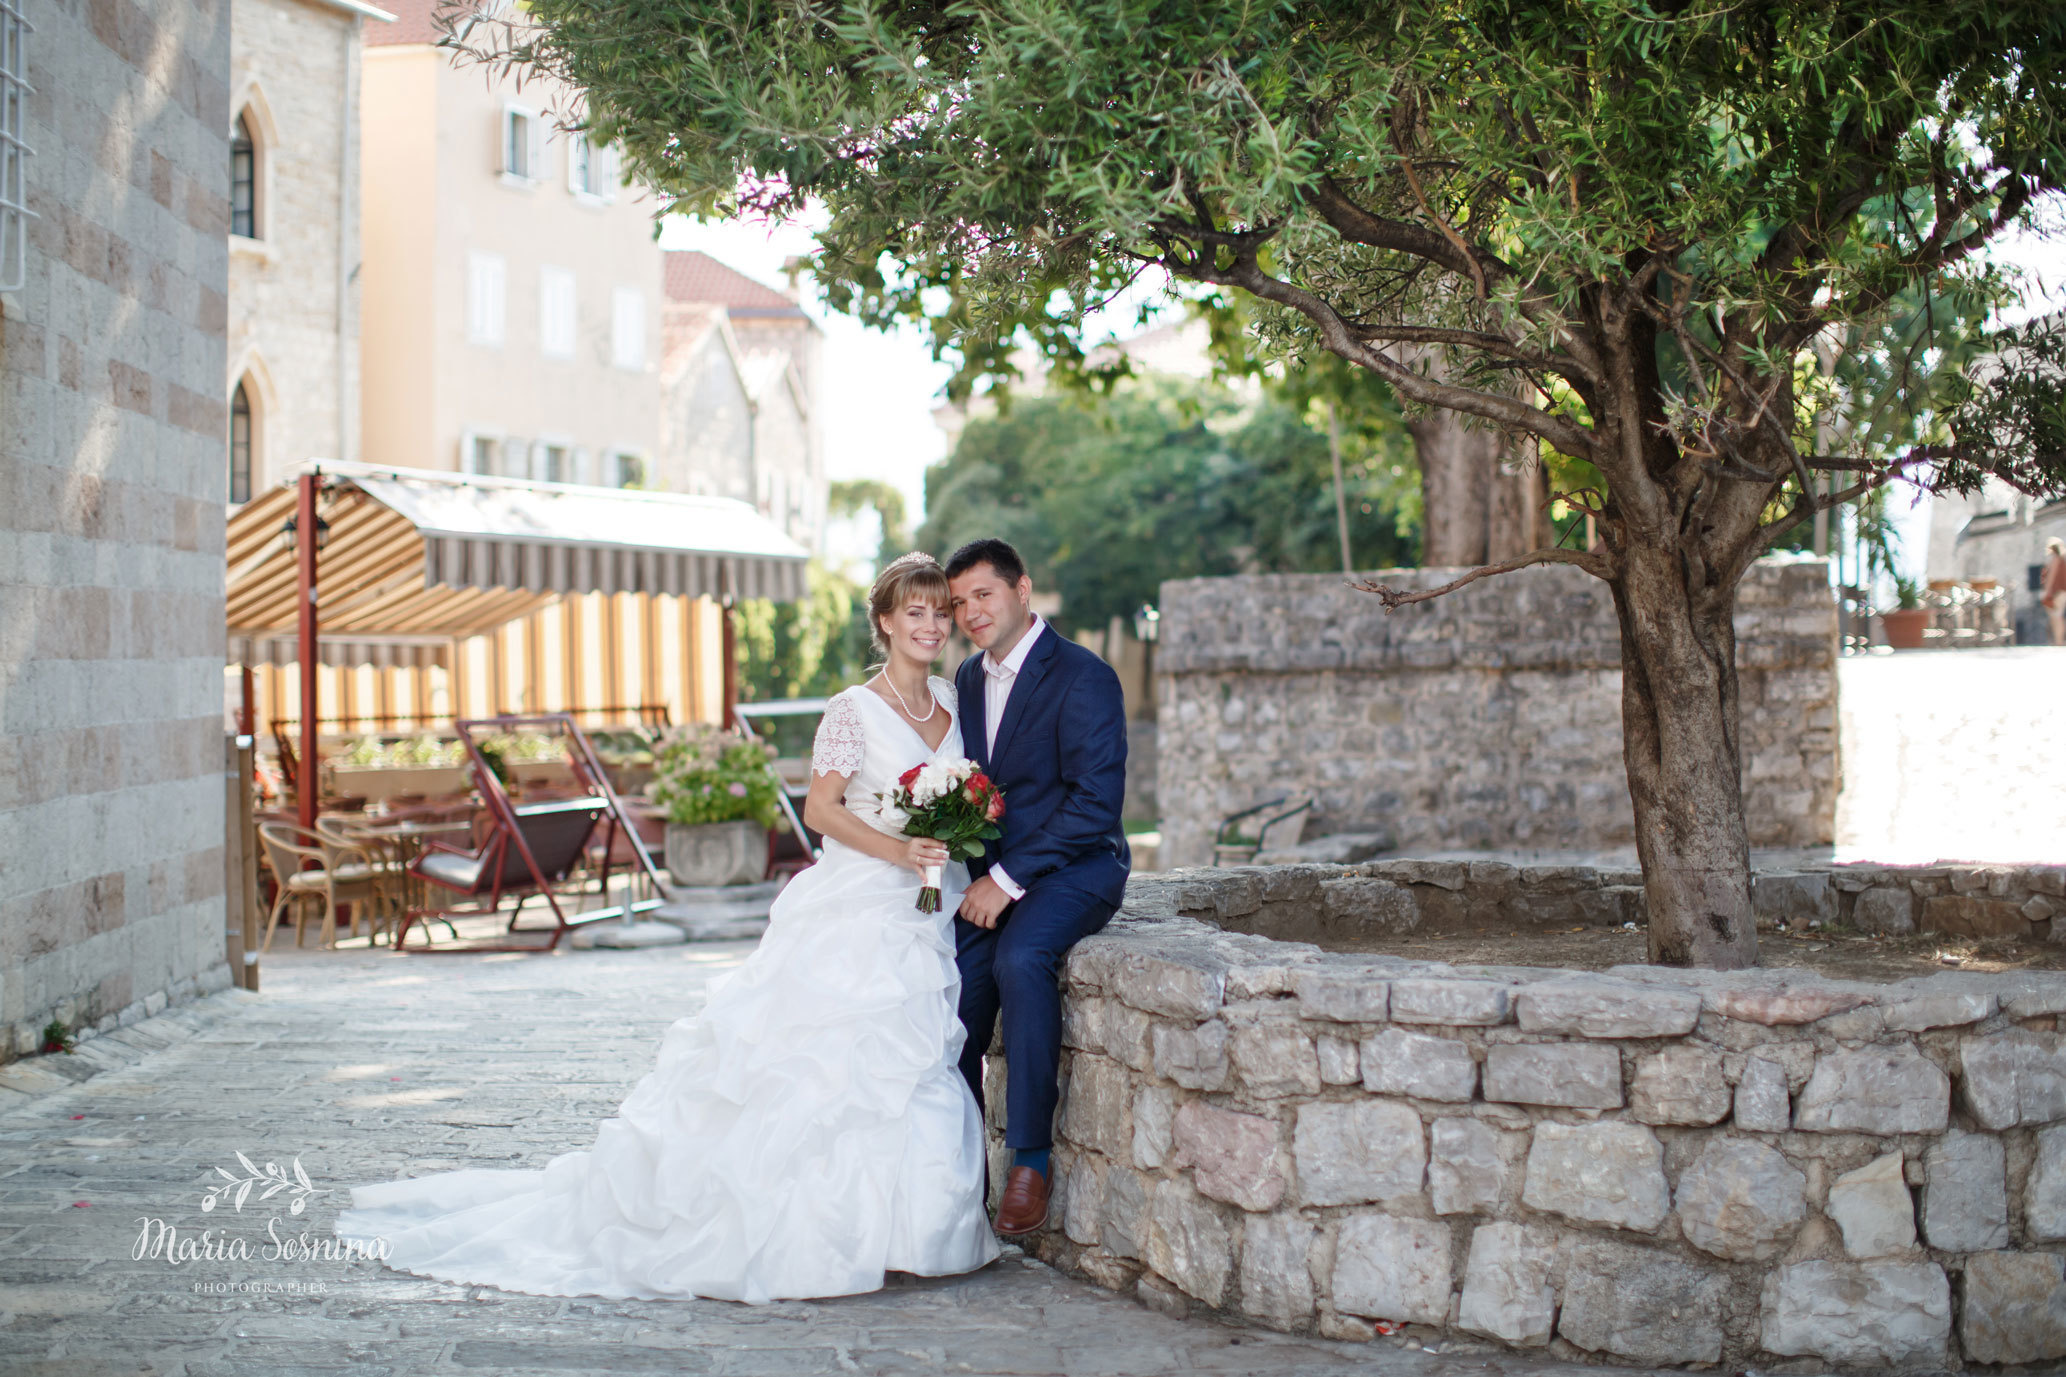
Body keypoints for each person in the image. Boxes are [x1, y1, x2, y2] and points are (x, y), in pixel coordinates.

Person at [333, 554, 999, 1302]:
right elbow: (820, 809)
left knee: (911, 1066)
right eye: (915, 612)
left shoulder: (949, 695)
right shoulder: (852, 707)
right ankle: (814, 1232)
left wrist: (947, 836)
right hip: (857, 906)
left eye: (940, 612)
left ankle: (905, 1232)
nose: (933, 625)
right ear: (883, 620)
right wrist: (900, 849)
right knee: (831, 1067)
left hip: (926, 911)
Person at [946, 538, 1130, 1236]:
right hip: (994, 873)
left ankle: (1029, 1158)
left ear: (1022, 589)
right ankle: (962, 1171)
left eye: (982, 595)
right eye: (960, 601)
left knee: (1020, 959)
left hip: (1080, 866)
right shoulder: (966, 678)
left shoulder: (1083, 676)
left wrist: (1007, 878)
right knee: (948, 985)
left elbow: (1094, 803)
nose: (970, 612)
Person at [2044, 536, 2066, 647]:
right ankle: (2059, 640)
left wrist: (2047, 593)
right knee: (2059, 616)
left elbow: (2051, 578)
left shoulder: (2056, 559)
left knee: (2056, 617)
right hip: (2062, 592)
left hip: (2056, 592)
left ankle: (2059, 641)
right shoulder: (2062, 559)